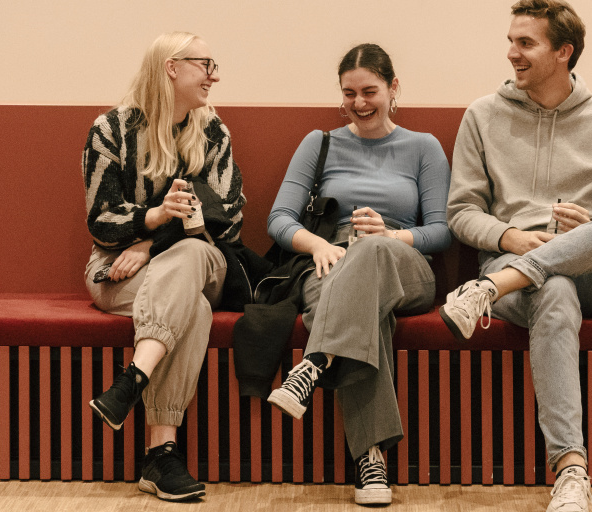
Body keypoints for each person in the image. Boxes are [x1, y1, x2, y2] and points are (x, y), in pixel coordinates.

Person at [439, 0, 592, 512]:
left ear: (563, 52)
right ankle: (571, 471)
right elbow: (461, 212)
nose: (512, 53)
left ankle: (489, 289)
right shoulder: (482, 116)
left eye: (526, 43)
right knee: (554, 289)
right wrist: (512, 239)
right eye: (510, 42)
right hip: (516, 266)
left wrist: (591, 229)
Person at [266, 43, 451, 506]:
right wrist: (319, 245)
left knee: (371, 252)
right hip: (331, 260)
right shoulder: (320, 143)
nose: (359, 103)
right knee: (370, 314)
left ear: (393, 88)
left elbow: (442, 230)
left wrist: (390, 236)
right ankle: (371, 461)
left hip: (404, 263)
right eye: (349, 93)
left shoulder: (423, 147)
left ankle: (315, 362)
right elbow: (280, 218)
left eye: (370, 91)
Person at [83, 32, 245, 502]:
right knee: (191, 307)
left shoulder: (212, 132)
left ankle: (132, 378)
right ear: (172, 67)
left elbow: (227, 218)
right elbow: (101, 221)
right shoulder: (110, 130)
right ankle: (161, 455)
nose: (214, 76)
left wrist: (152, 245)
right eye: (205, 65)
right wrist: (154, 216)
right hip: (117, 269)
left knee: (188, 258)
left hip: (201, 258)